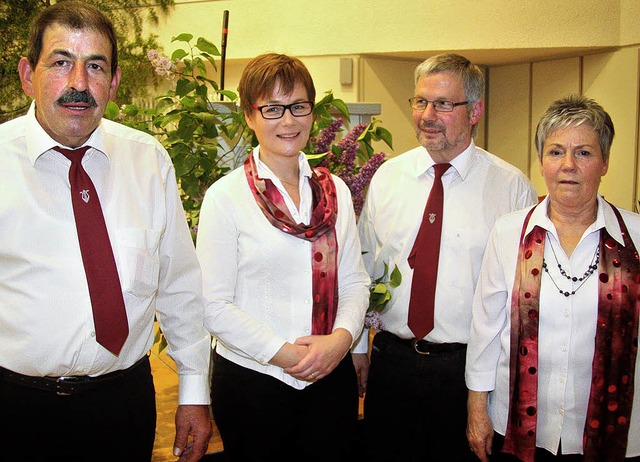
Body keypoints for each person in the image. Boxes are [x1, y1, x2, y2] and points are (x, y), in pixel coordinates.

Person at [0, 2, 212, 460]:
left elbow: (178, 286)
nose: (79, 83)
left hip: (123, 406)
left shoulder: (148, 160)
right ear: (27, 74)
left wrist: (194, 390)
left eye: (94, 66)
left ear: (113, 82)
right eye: (61, 63)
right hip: (14, 411)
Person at [353, 53, 538, 461]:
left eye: (443, 104)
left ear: (475, 111)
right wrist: (357, 349)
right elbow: (362, 270)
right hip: (392, 362)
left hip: (467, 373)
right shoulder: (388, 179)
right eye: (420, 102)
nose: (427, 115)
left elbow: (517, 302)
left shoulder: (510, 190)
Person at [195, 52, 370, 461]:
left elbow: (355, 281)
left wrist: (340, 342)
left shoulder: (335, 190)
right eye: (272, 108)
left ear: (312, 111)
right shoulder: (226, 196)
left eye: (298, 106)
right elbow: (212, 304)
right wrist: (287, 354)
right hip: (253, 383)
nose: (288, 121)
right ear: (249, 115)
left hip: (330, 378)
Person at [466, 94, 640, 462]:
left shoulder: (635, 238)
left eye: (584, 153)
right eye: (556, 152)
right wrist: (477, 408)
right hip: (517, 426)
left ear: (605, 162)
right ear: (542, 162)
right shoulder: (509, 231)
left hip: (614, 432)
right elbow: (486, 328)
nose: (569, 166)